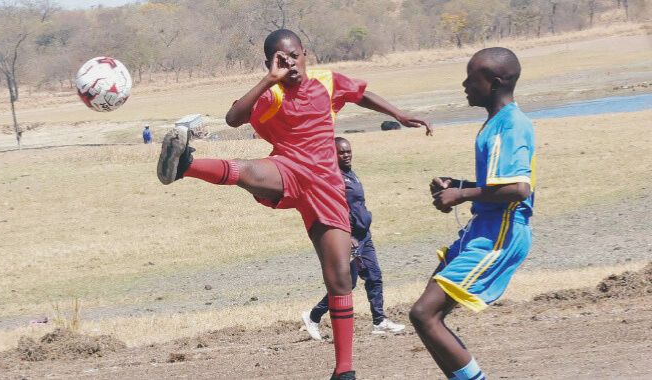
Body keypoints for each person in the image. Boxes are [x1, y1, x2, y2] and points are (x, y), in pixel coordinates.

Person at [156, 29, 432, 380]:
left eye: (295, 56)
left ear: (305, 53)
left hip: (327, 188)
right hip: (287, 168)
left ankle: (344, 371)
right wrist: (268, 79)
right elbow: (233, 117)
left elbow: (362, 95)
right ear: (271, 62)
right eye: (281, 60)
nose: (290, 64)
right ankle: (183, 166)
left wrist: (401, 114)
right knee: (247, 171)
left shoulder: (327, 81)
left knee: (339, 280)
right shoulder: (270, 94)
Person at [408, 47, 535, 380]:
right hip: (484, 228)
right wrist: (459, 184)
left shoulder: (509, 126)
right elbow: (498, 184)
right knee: (426, 315)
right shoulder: (497, 122)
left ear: (492, 83)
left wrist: (461, 194)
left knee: (425, 314)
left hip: (500, 234)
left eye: (470, 77)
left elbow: (519, 189)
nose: (464, 84)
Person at [302, 137, 405, 341]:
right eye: (341, 152)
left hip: (364, 235)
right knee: (347, 284)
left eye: (348, 151)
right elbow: (334, 208)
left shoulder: (351, 174)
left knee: (374, 276)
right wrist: (346, 235)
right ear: (333, 154)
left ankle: (379, 321)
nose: (346, 155)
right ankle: (313, 316)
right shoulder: (334, 178)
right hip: (351, 238)